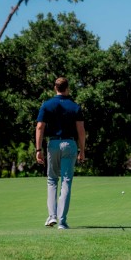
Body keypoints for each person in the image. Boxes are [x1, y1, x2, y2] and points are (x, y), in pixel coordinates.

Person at [35, 77, 86, 230]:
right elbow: (81, 131)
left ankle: (52, 216)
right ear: (67, 88)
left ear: (55, 88)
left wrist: (38, 149)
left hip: (53, 144)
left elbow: (39, 127)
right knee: (66, 181)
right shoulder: (75, 106)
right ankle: (62, 222)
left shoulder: (47, 105)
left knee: (52, 180)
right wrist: (82, 150)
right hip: (69, 144)